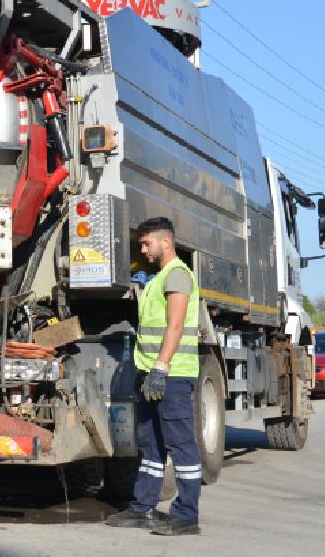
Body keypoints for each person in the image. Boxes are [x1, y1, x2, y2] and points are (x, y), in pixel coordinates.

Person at [106, 217, 203, 536]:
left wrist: (161, 368)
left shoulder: (177, 275)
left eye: (146, 243)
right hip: (151, 374)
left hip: (171, 375)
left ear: (165, 242)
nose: (143, 250)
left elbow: (175, 326)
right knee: (151, 444)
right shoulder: (158, 278)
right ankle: (142, 507)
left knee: (180, 442)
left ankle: (187, 514)